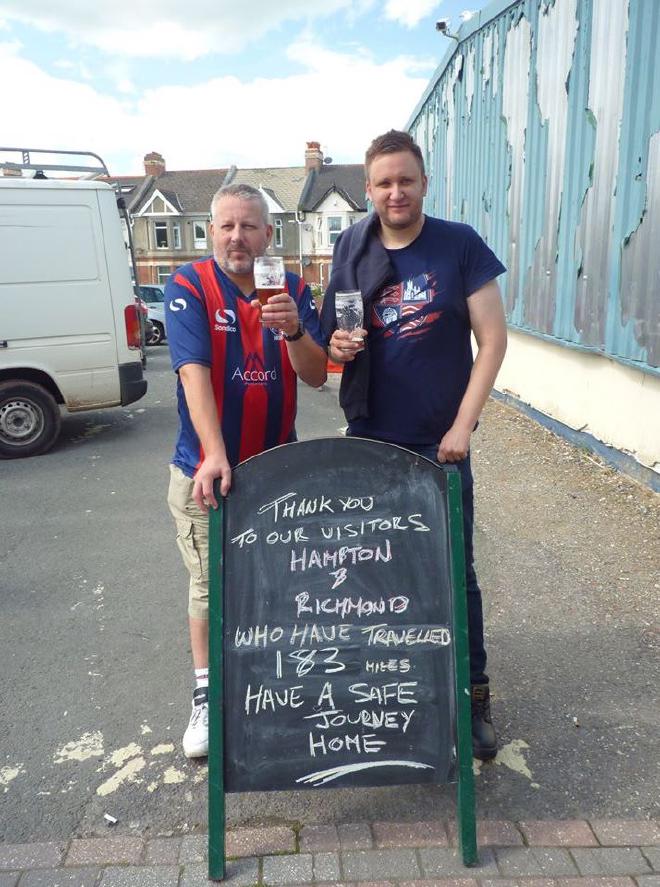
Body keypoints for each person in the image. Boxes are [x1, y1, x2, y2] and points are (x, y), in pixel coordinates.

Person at [320, 130, 507, 761]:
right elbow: (330, 344)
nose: (396, 192)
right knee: (377, 576)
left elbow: (494, 342)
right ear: (369, 190)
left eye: (406, 180)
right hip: (370, 439)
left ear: (424, 182)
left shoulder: (459, 245)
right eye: (383, 183)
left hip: (440, 445)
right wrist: (338, 349)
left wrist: (463, 425)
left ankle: (474, 694)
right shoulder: (351, 246)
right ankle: (396, 694)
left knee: (455, 571)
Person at [166, 183, 327, 758]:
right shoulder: (189, 285)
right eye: (227, 226)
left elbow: (314, 376)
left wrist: (294, 331)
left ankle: (273, 681)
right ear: (213, 232)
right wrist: (214, 452)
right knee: (213, 586)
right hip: (208, 472)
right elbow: (192, 372)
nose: (238, 237)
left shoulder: (293, 289)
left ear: (267, 234)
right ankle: (208, 695)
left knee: (280, 582)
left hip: (278, 471)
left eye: (250, 226)